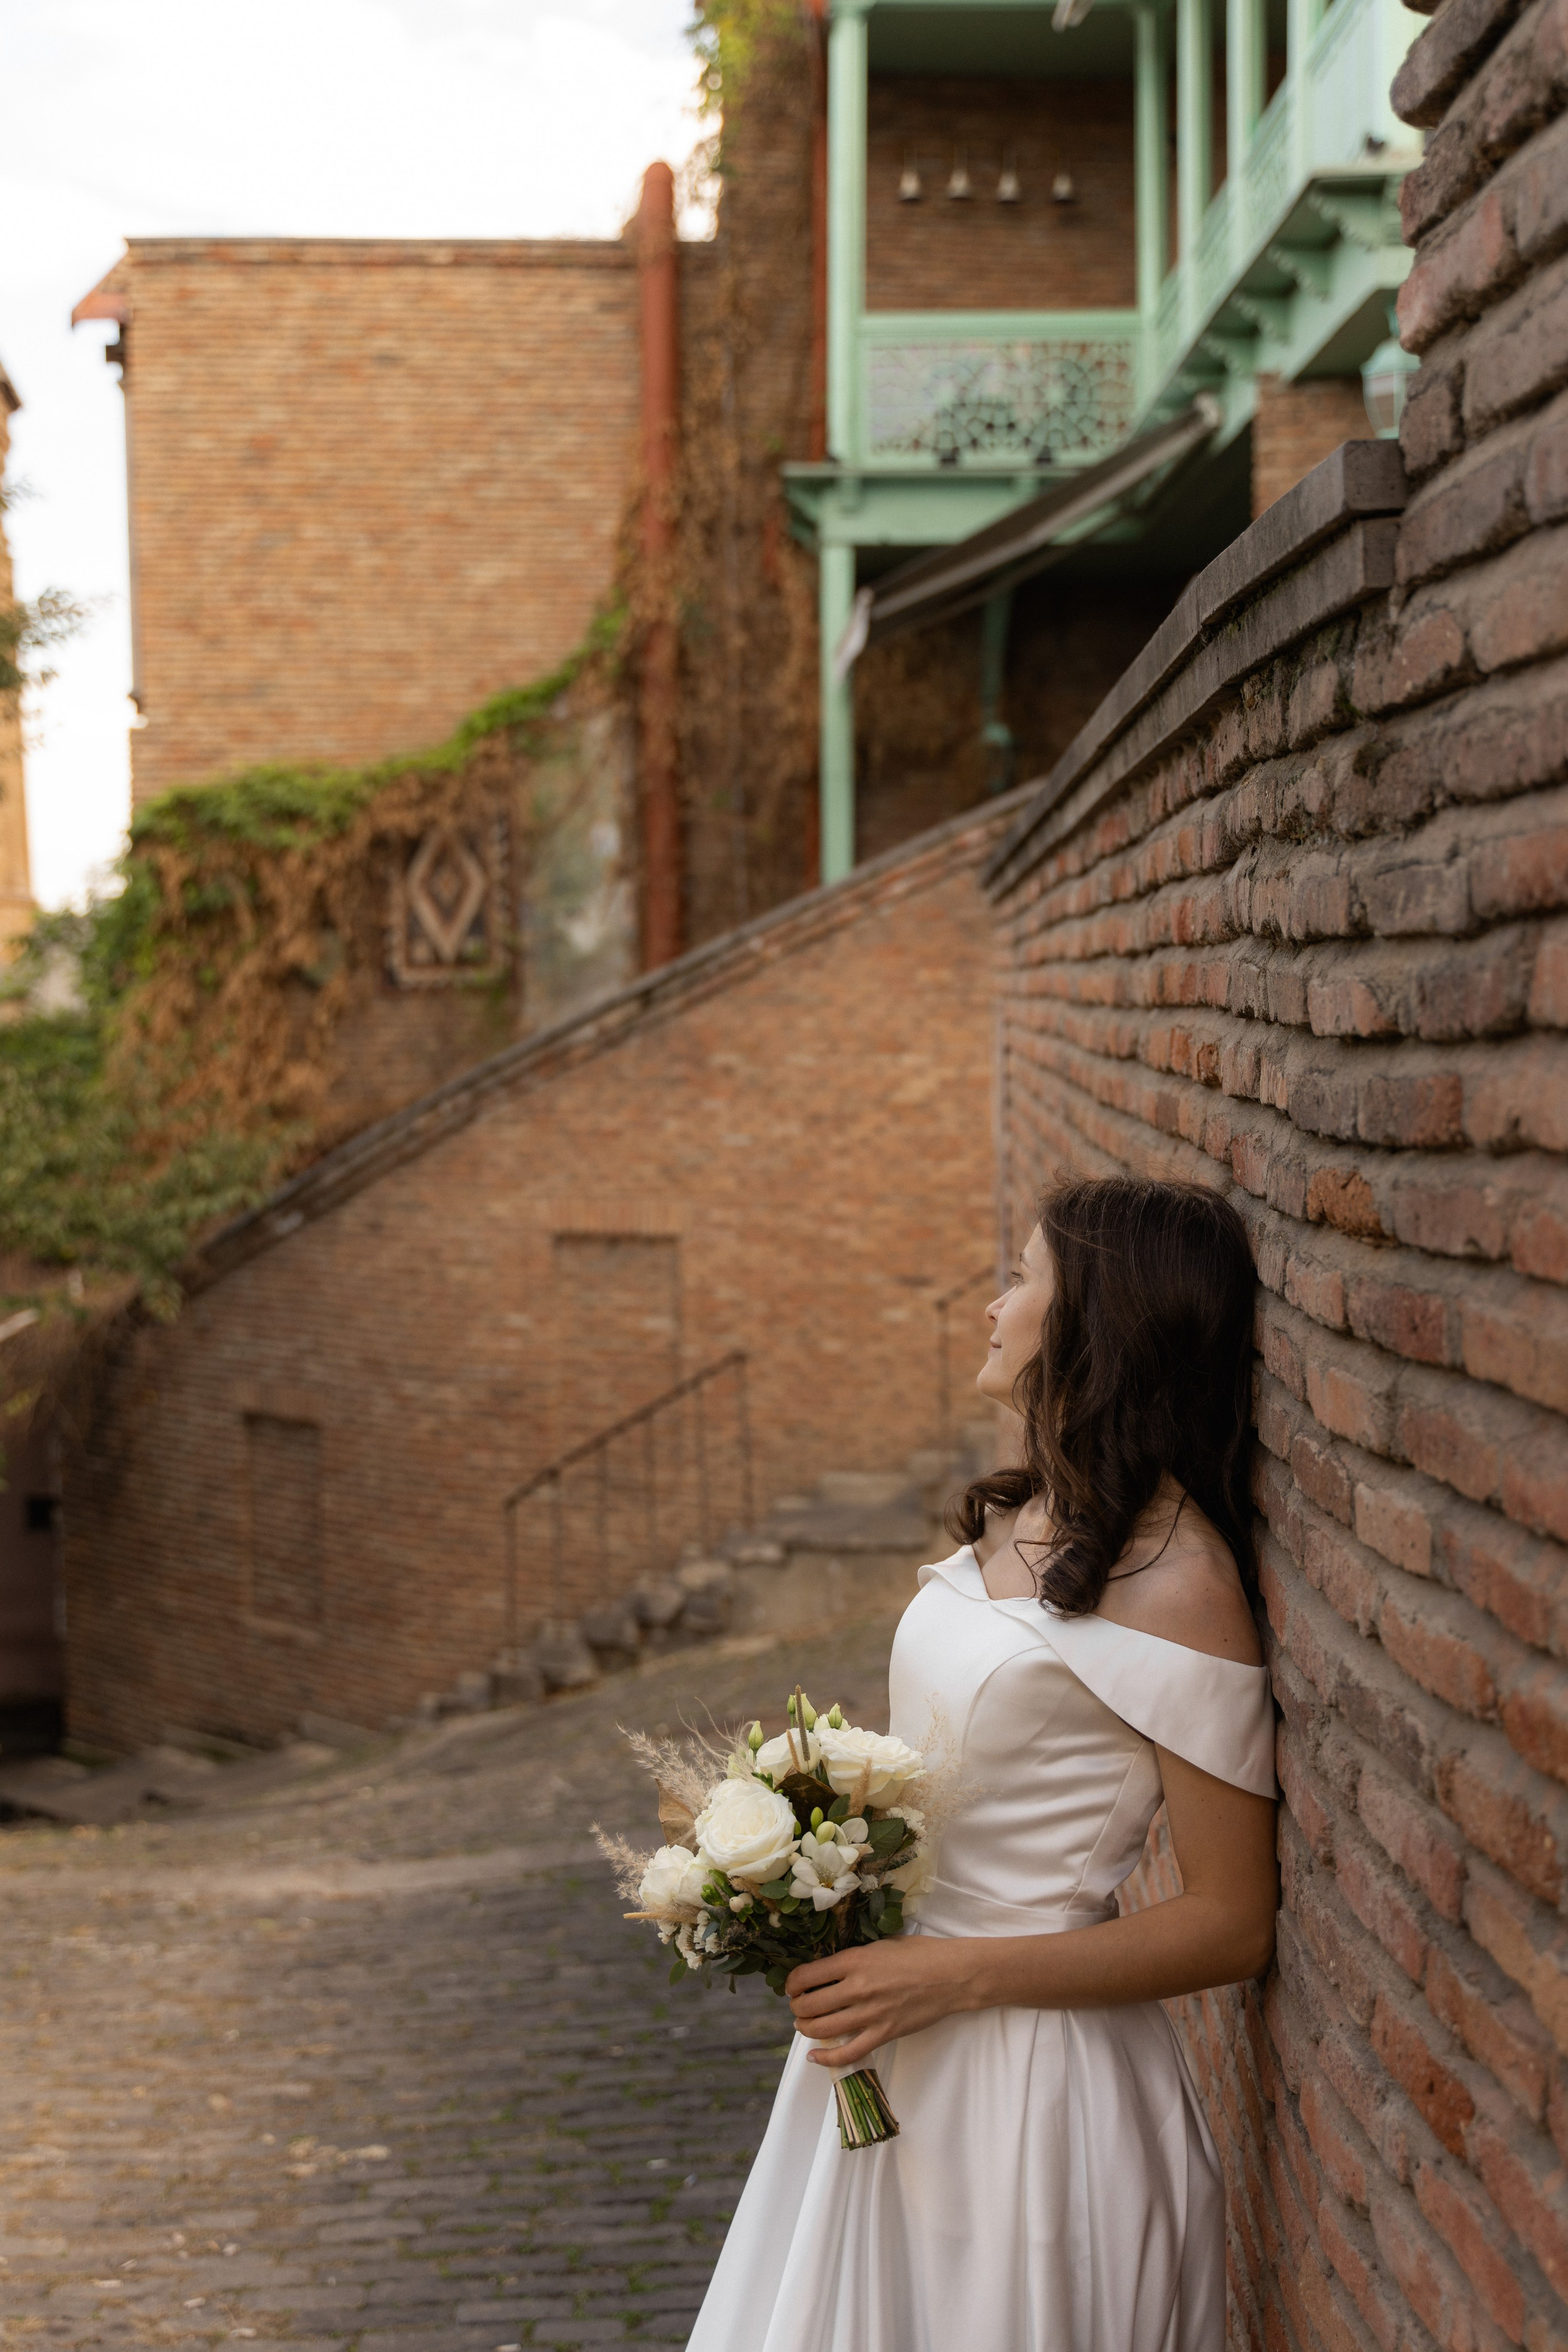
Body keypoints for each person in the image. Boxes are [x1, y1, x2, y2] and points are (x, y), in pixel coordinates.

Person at [685, 1175, 1278, 2352]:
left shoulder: (1182, 1589)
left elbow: (1232, 1921)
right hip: (891, 2040)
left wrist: (948, 1981)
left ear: (1096, 1328)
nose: (992, 1303)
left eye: (1021, 1278)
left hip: (1032, 2096)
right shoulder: (1028, 1513)